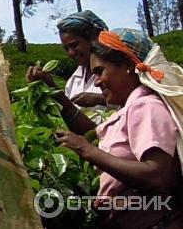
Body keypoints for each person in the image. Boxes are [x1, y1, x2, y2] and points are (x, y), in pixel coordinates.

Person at [51, 28, 183, 228]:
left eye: (100, 71)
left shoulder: (145, 106)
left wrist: (86, 150)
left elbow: (157, 175)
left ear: (128, 66)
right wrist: (56, 95)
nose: (96, 82)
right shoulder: (128, 110)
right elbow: (93, 134)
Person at [28, 10, 109, 111]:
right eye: (66, 48)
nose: (71, 53)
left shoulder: (117, 70)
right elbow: (71, 114)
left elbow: (132, 101)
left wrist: (100, 99)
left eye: (74, 45)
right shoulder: (74, 81)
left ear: (94, 38)